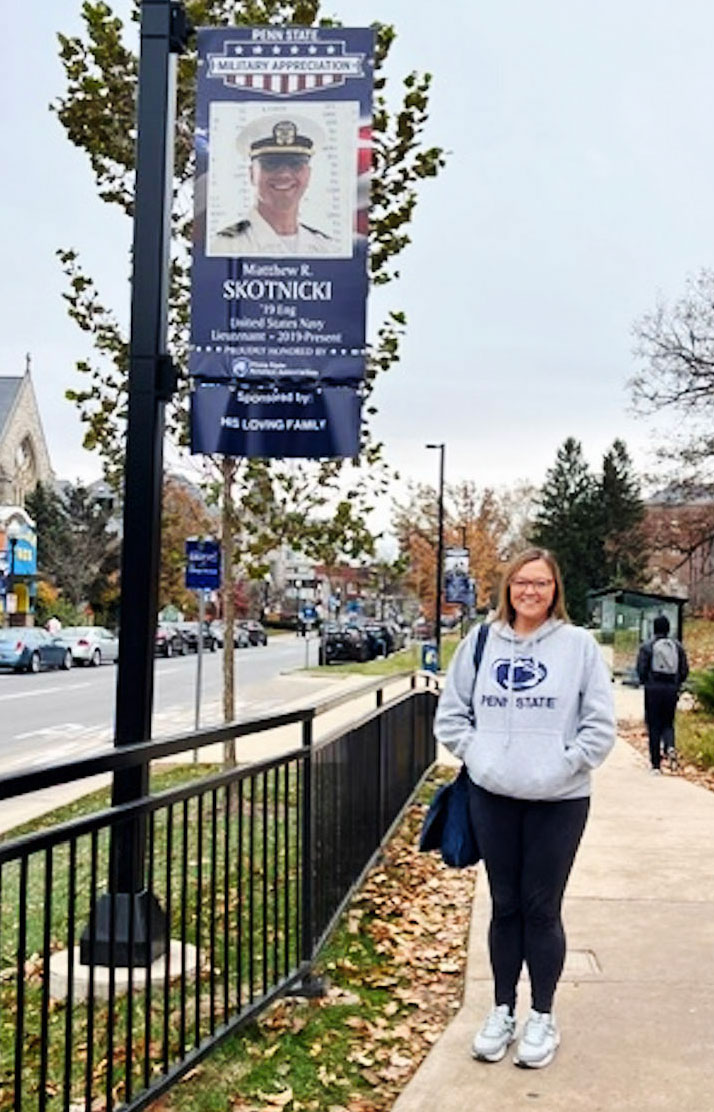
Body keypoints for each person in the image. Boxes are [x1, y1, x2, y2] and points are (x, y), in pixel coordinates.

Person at [434, 547, 615, 1069]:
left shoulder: (578, 646)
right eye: (521, 583)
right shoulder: (482, 641)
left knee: (541, 908)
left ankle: (542, 1015)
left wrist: (566, 765)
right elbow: (451, 714)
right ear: (507, 588)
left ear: (556, 590)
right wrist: (482, 759)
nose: (530, 592)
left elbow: (599, 725)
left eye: (541, 583)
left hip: (559, 801)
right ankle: (502, 1010)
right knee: (504, 905)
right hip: (494, 796)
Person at [215, 117, 331, 256]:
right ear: (252, 174)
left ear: (308, 174)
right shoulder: (224, 246)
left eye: (295, 164)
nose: (284, 174)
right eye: (271, 163)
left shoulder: (326, 247)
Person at [636, 614, 689, 774]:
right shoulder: (677, 646)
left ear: (654, 628)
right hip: (671, 689)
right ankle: (670, 746)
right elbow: (684, 670)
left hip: (653, 689)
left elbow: (641, 669)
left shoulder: (648, 646)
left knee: (653, 725)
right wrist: (676, 683)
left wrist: (646, 681)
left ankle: (656, 765)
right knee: (668, 722)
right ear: (668, 628)